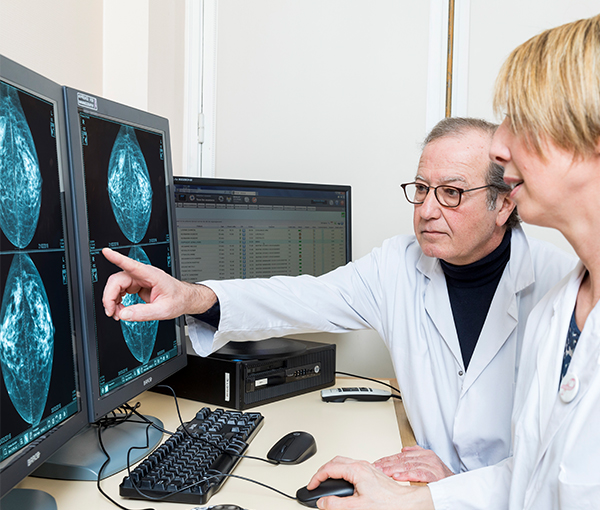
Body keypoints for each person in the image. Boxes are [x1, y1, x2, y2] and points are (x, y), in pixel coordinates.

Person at [102, 118, 575, 484]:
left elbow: (563, 466)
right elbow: (300, 297)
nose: (428, 210)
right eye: (422, 190)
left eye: (451, 193)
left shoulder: (560, 287)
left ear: (504, 204)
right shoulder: (399, 265)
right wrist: (189, 296)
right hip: (420, 487)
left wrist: (455, 487)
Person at [303, 13, 600, 510]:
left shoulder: (547, 286)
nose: (500, 147)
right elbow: (530, 480)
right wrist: (408, 502)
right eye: (422, 190)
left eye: (522, 121)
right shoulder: (562, 310)